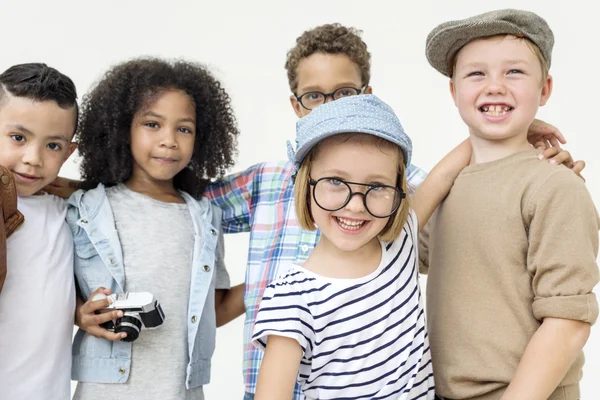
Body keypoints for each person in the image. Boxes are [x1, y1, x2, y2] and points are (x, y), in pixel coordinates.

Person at [46, 24, 581, 399]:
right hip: (269, 369)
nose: (355, 203)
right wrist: (59, 182)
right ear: (295, 107)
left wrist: (516, 132)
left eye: (344, 93)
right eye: (313, 96)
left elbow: (445, 181)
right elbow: (166, 200)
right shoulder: (266, 185)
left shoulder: (395, 214)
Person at [421, 9, 599, 400]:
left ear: (545, 89)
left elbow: (567, 320)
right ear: (454, 93)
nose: (495, 86)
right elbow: (393, 249)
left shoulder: (554, 186)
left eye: (514, 72)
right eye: (476, 74)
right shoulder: (446, 189)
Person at [252, 94, 473, 399]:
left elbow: (444, 174)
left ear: (399, 191)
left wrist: (516, 132)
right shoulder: (292, 297)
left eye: (377, 187)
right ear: (305, 184)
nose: (355, 206)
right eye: (335, 182)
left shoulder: (400, 242)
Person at [68, 58, 243, 399]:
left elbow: (214, 311)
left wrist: (268, 280)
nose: (169, 140)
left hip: (182, 391)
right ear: (122, 129)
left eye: (184, 128)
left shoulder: (205, 218)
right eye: (152, 124)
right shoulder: (86, 210)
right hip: (105, 391)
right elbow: (48, 295)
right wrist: (79, 314)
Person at [0, 63, 79, 400]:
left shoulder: (70, 212)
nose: (33, 158)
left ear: (70, 151)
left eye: (53, 146)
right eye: (18, 138)